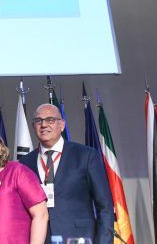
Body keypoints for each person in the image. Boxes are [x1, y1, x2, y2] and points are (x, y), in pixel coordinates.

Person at [20, 104, 114, 244]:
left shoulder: (86, 155)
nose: (44, 125)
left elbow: (105, 206)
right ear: (33, 126)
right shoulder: (24, 163)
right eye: (39, 121)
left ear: (62, 125)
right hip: (40, 239)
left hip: (79, 238)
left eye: (50, 119)